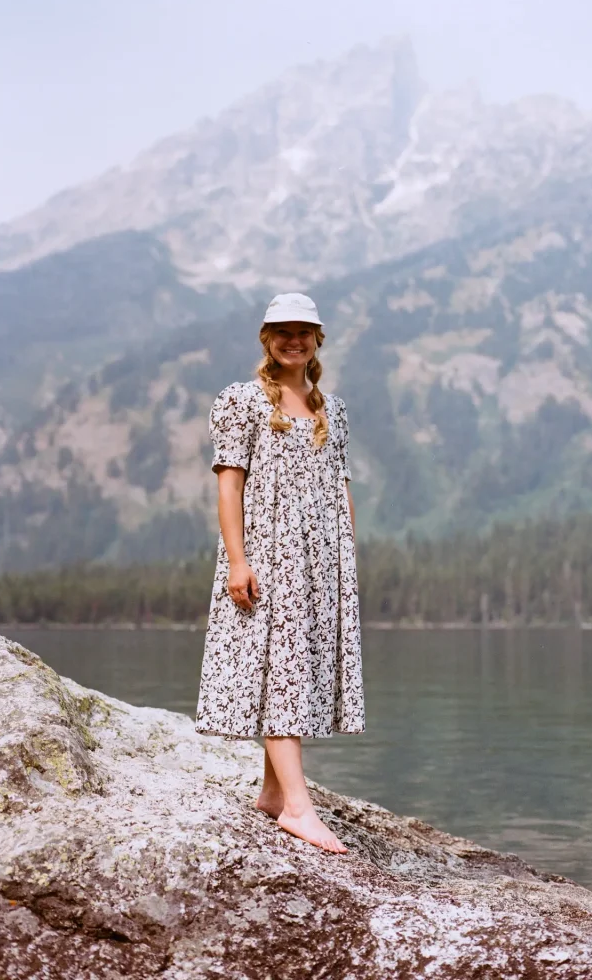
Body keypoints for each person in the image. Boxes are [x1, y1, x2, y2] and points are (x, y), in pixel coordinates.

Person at [195, 292, 365, 854]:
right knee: (282, 670)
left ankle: (272, 793)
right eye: (282, 331)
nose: (294, 339)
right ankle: (297, 808)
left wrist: (346, 558)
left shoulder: (332, 409)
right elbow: (229, 483)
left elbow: (340, 486)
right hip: (267, 555)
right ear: (266, 338)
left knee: (301, 666)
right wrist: (238, 560)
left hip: (321, 560)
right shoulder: (241, 400)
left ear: (318, 339)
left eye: (305, 331)